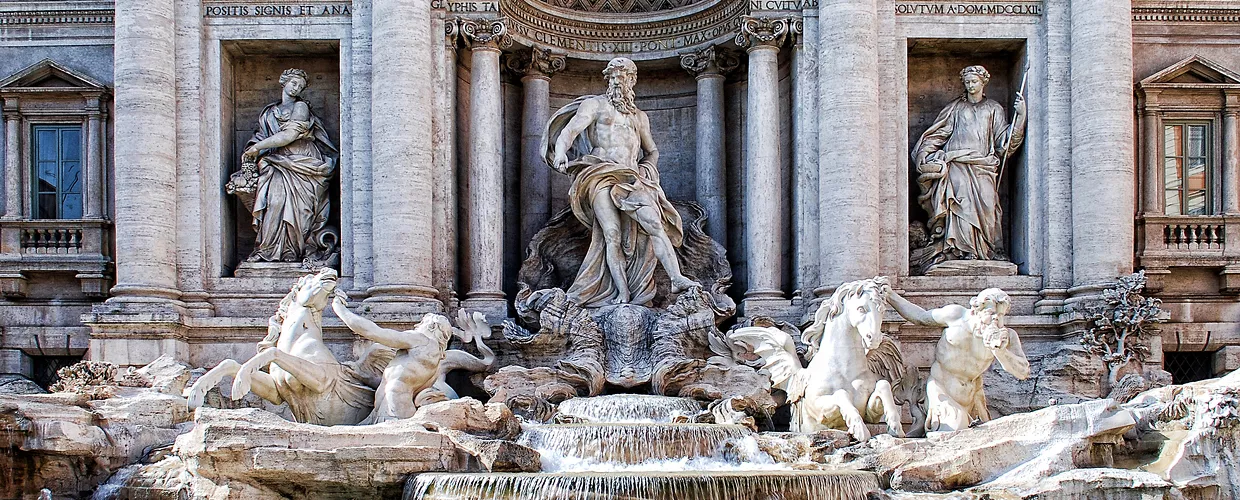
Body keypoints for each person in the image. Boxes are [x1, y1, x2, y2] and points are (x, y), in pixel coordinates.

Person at [541, 57, 699, 307]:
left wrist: (648, 168)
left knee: (655, 224)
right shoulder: (596, 105)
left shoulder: (639, 117)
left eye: (623, 76)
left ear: (632, 81)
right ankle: (622, 294)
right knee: (611, 234)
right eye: (613, 76)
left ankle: (677, 278)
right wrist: (561, 151)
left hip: (631, 178)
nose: (618, 81)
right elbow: (570, 131)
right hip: (600, 174)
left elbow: (652, 151)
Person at [912, 65, 1026, 272]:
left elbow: (1004, 143)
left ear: (983, 83)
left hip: (983, 166)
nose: (971, 85)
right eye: (967, 82)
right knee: (959, 204)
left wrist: (1020, 118)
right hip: (956, 164)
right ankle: (961, 250)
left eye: (974, 82)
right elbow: (937, 135)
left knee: (988, 204)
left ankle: (986, 249)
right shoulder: (956, 108)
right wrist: (924, 154)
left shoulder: (994, 108)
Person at [883, 285, 1030, 433]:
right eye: (991, 313)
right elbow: (920, 317)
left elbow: (1022, 372)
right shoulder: (956, 316)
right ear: (976, 311)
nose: (996, 319)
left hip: (973, 398)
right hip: (942, 390)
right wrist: (890, 296)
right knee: (954, 430)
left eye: (1001, 315)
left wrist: (1001, 351)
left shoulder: (1007, 336)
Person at [238, 68, 338, 263]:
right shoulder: (269, 112)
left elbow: (289, 135)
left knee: (300, 211)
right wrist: (253, 149)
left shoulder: (301, 107)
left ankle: (293, 252)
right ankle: (268, 250)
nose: (296, 88)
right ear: (283, 82)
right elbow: (261, 135)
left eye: (300, 86)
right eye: (294, 83)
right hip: (277, 163)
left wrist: (258, 147)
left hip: (303, 162)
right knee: (274, 203)